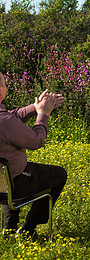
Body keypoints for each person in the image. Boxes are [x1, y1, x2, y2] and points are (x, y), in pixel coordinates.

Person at [0, 72, 67, 238]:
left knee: (4, 175)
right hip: (15, 184)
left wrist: (35, 107)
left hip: (2, 182)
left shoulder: (6, 119)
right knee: (58, 175)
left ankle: (8, 228)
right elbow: (36, 140)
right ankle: (28, 229)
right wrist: (43, 114)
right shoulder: (5, 122)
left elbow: (11, 117)